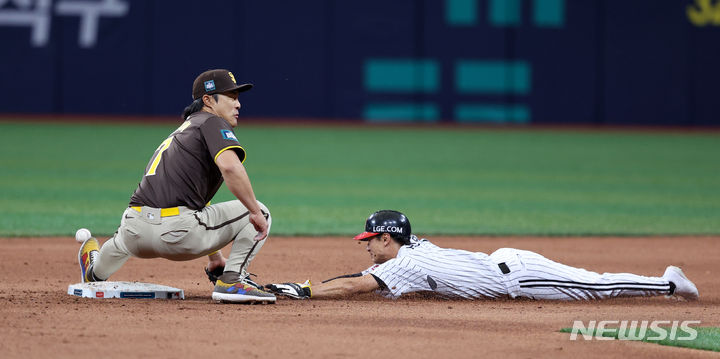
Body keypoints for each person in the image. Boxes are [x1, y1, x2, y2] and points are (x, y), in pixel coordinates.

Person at [77, 69, 277, 303]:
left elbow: (197, 200)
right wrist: (253, 211)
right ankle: (232, 281)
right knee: (260, 211)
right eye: (231, 97)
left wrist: (215, 259)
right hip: (177, 236)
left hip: (133, 231)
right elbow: (231, 168)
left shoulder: (183, 132)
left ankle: (95, 271)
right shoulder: (212, 122)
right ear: (208, 100)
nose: (238, 104)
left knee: (119, 244)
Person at [264, 210, 699, 301]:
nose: (366, 245)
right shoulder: (413, 252)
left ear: (388, 240)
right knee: (590, 285)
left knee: (593, 288)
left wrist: (303, 291)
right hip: (505, 263)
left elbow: (357, 284)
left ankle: (668, 282)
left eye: (371, 239)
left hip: (520, 276)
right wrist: (307, 286)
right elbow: (359, 274)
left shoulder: (407, 262)